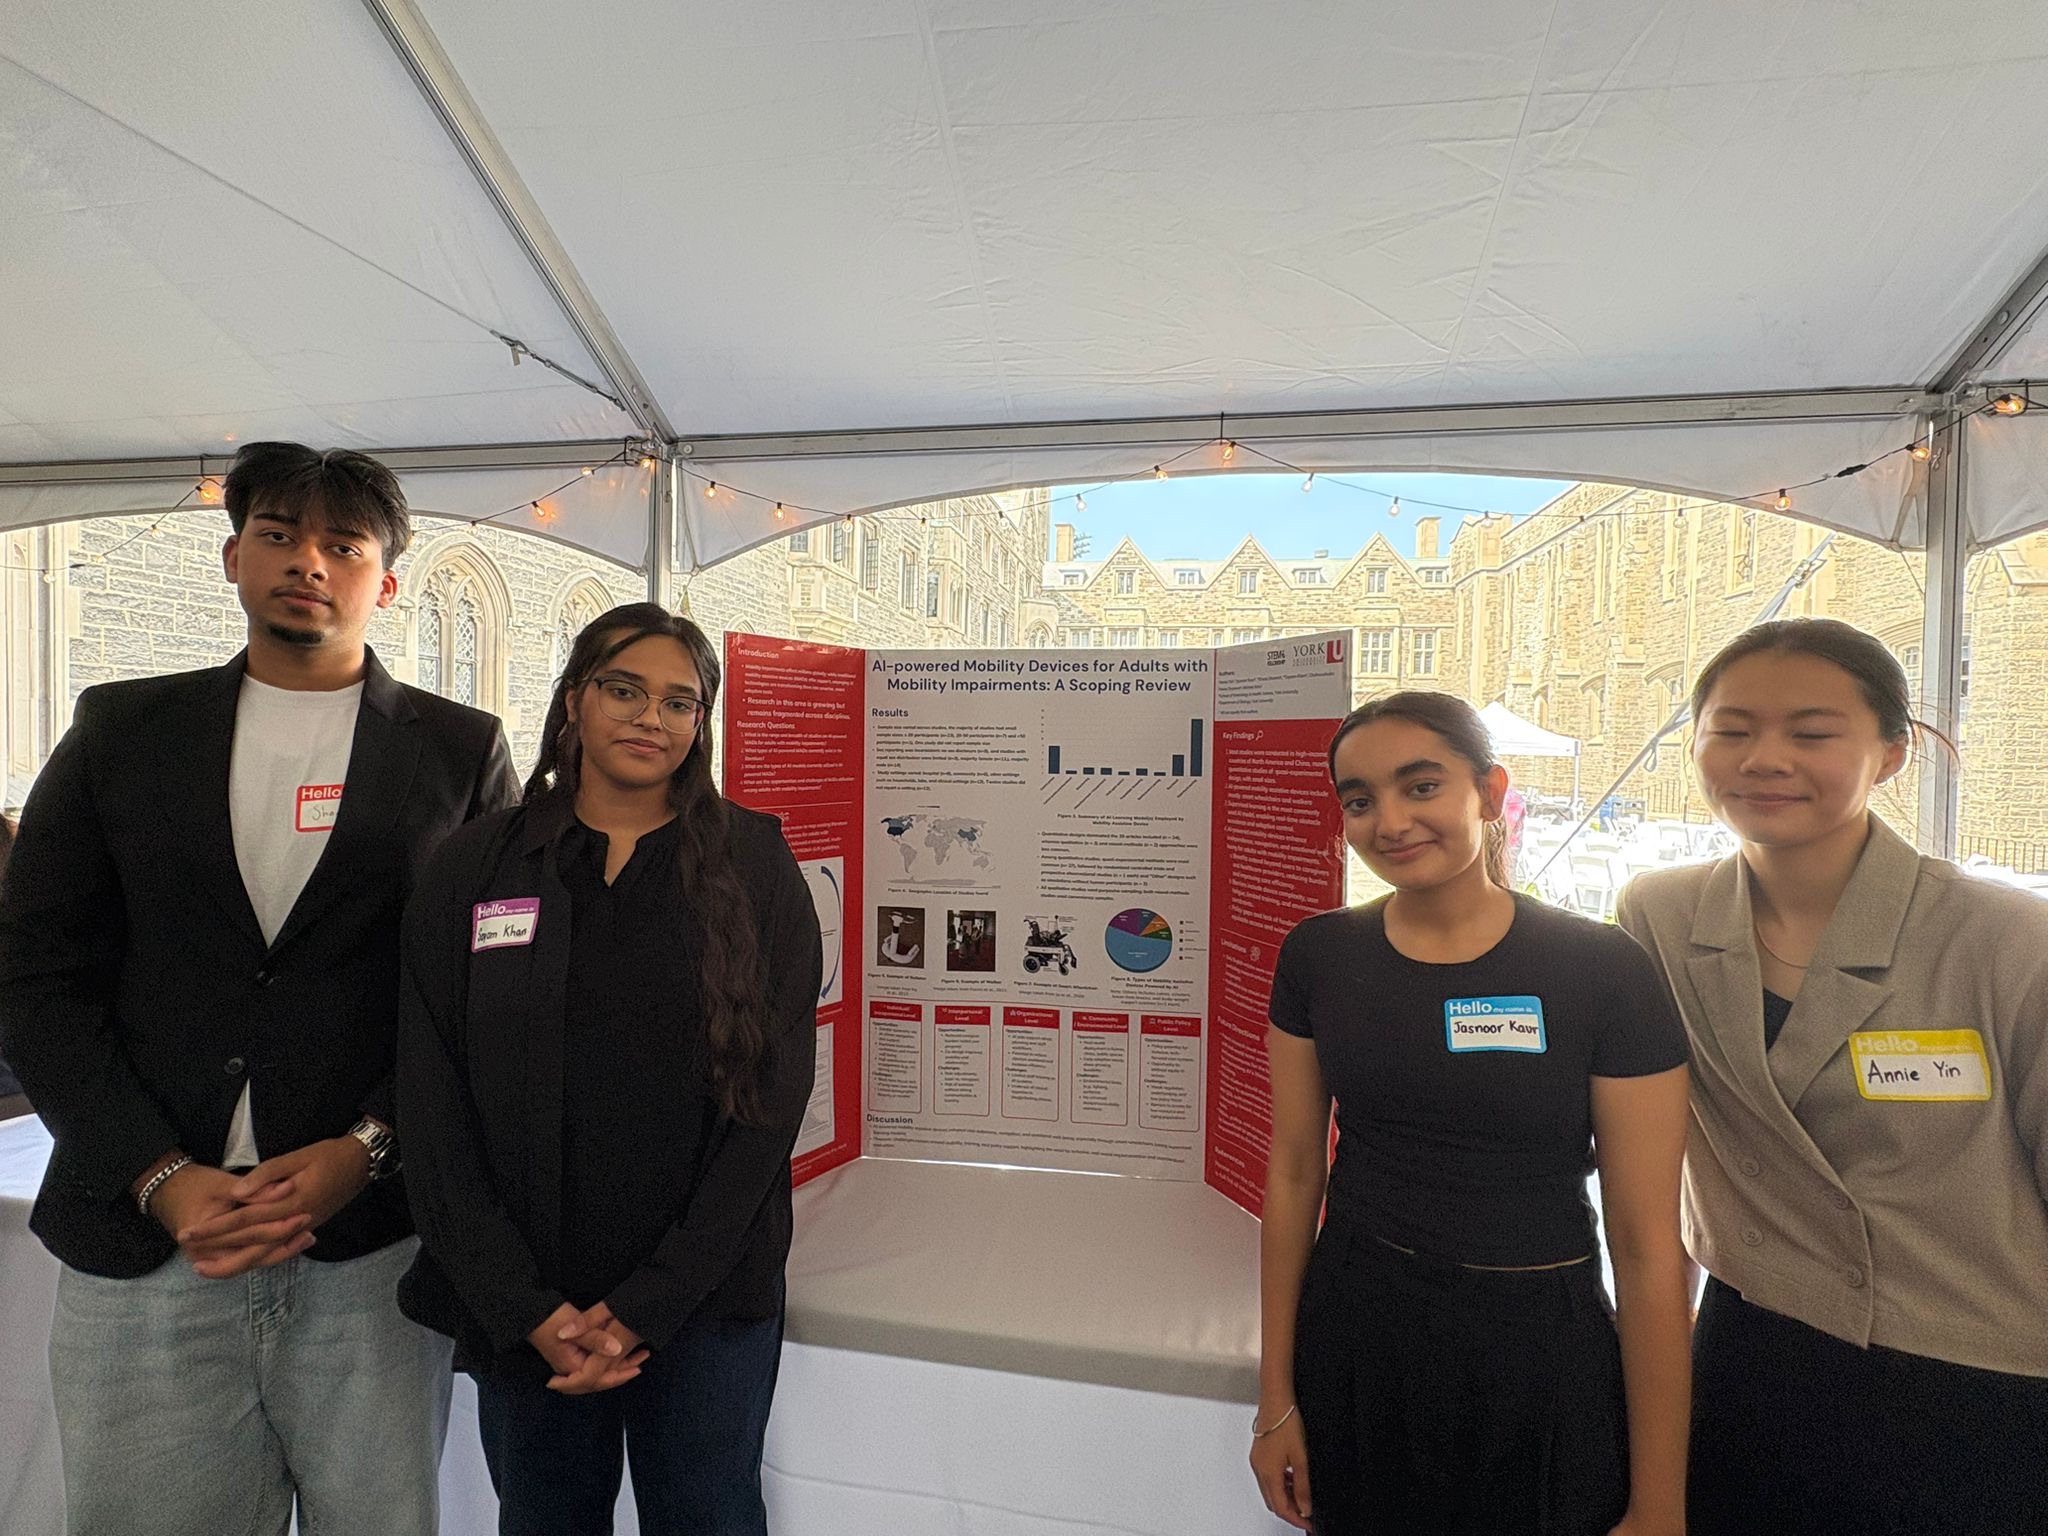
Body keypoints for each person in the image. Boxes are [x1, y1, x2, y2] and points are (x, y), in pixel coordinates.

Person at [0, 442, 517, 1535]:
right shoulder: (118, 731)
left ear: (388, 580)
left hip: (367, 1250)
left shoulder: (460, 753)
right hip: (144, 1250)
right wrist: (159, 1173)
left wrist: (366, 1149)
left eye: (342, 544)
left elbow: (489, 1001)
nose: (307, 563)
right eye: (279, 535)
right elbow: (39, 982)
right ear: (233, 556)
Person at [397, 603, 821, 1536]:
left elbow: (769, 1110)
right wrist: (524, 1304)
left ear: (701, 724)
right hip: (527, 1291)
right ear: (575, 702)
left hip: (706, 1295)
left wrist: (644, 1308)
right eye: (624, 689)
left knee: (707, 1515)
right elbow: (432, 1101)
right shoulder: (478, 863)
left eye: (681, 702)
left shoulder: (754, 863)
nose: (650, 718)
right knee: (544, 1517)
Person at [1616, 618, 2048, 1535]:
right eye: (1731, 729)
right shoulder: (1659, 917)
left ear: (1892, 752)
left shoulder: (2008, 942)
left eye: (1812, 733)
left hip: (1980, 1383)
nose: (1765, 758)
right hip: (1754, 1357)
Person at [1253, 691, 1692, 1536]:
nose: (1390, 821)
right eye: (1360, 799)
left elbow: (1645, 1248)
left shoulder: (1602, 970)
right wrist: (1277, 1399)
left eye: (1421, 787)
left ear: (1489, 794)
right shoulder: (1320, 955)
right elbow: (1296, 1169)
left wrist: (1660, 1504)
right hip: (1358, 1332)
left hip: (1537, 1353)